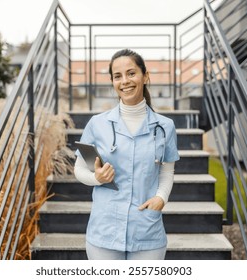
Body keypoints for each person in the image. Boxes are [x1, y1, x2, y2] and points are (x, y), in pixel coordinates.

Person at [74, 48, 180, 260]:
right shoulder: (97, 124)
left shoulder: (165, 127)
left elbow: (167, 172)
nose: (125, 81)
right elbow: (78, 169)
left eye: (131, 73)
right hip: (104, 230)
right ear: (113, 82)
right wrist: (96, 178)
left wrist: (161, 197)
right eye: (118, 76)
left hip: (146, 230)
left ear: (145, 76)